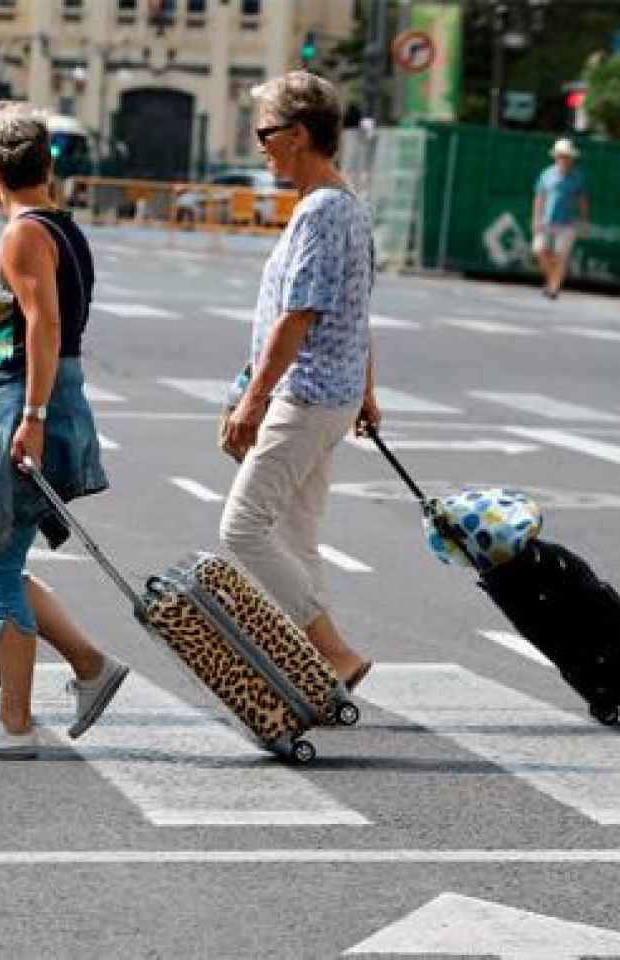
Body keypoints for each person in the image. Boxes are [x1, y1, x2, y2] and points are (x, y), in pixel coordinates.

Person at [0, 102, 129, 761]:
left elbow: (44, 325)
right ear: (48, 164)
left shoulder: (25, 235)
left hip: (23, 404)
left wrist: (33, 418)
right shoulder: (60, 226)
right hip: (25, 400)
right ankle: (89, 666)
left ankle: (15, 725)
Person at [219, 71, 378, 693]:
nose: (260, 146)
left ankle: (331, 651)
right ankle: (318, 665)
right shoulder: (346, 207)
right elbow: (356, 311)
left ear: (301, 133)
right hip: (331, 395)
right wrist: (367, 393)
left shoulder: (321, 212)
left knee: (243, 526)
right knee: (296, 536)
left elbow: (300, 315)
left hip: (306, 395)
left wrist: (252, 402)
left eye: (266, 132)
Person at [531, 138, 589, 300]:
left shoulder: (578, 177)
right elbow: (539, 197)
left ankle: (554, 288)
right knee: (539, 250)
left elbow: (583, 201)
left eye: (566, 156)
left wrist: (584, 221)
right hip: (546, 221)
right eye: (561, 156)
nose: (563, 159)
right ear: (556, 156)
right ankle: (551, 279)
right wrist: (536, 218)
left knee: (560, 256)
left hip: (567, 223)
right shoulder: (546, 174)